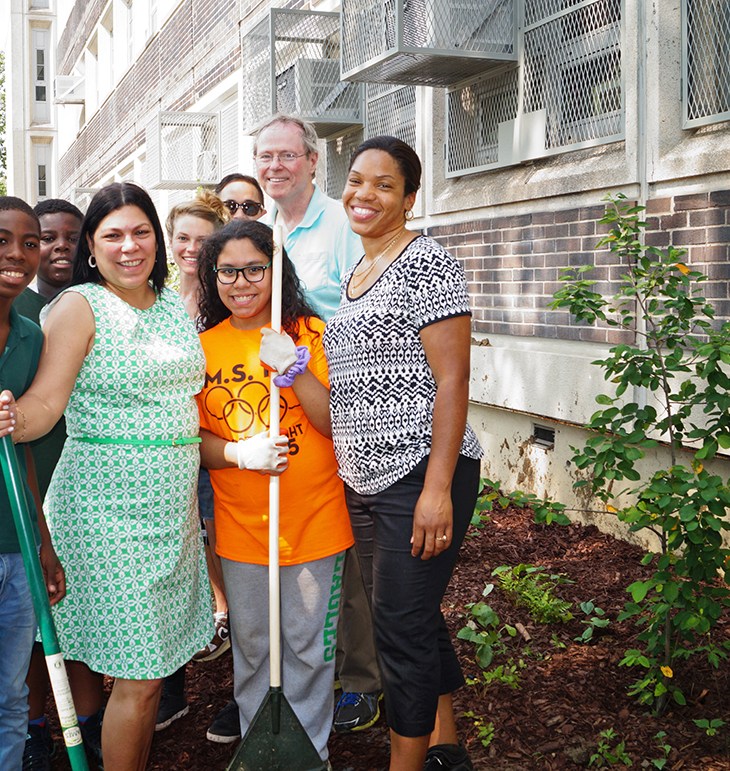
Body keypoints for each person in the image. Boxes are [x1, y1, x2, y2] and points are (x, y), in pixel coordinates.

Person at [0, 182, 213, 771]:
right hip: (107, 513)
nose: (129, 246)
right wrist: (12, 418)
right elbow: (46, 404)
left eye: (140, 232)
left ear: (157, 240)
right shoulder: (80, 305)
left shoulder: (172, 304)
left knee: (152, 673)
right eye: (112, 235)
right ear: (91, 247)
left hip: (171, 512)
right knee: (140, 678)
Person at [323, 136, 483, 771]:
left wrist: (437, 489)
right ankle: (447, 748)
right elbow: (354, 386)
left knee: (399, 628)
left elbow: (454, 379)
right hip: (365, 479)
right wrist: (296, 370)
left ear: (410, 198)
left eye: (384, 185)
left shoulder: (426, 263)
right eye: (356, 180)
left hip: (419, 472)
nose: (364, 194)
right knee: (412, 617)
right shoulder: (357, 274)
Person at [195, 219, 354, 766]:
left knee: (308, 649)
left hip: (314, 520)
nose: (241, 283)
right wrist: (240, 453)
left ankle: (310, 755)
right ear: (212, 276)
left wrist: (295, 369)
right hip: (242, 527)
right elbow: (193, 440)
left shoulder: (310, 332)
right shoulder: (203, 347)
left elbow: (336, 423)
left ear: (276, 271)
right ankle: (260, 749)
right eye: (228, 272)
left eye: (254, 269)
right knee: (254, 646)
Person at [253, 113, 383, 736]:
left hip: (344, 399)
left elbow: (368, 305)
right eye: (265, 156)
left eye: (287, 155)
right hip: (287, 403)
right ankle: (313, 669)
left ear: (311, 161)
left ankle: (362, 681)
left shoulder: (340, 225)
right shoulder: (268, 231)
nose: (274, 166)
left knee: (349, 549)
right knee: (310, 540)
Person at [10, 198, 99, 770]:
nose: (60, 245)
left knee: (75, 613)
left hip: (80, 482)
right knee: (33, 632)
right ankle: (35, 728)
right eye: (47, 236)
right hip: (30, 476)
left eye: (72, 235)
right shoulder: (18, 306)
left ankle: (86, 726)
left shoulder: (93, 303)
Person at [0, 195, 65, 771]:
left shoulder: (30, 336)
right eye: (2, 241)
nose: (17, 254)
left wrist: (42, 542)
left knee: (11, 693)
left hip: (15, 543)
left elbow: (25, 455)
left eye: (29, 242)